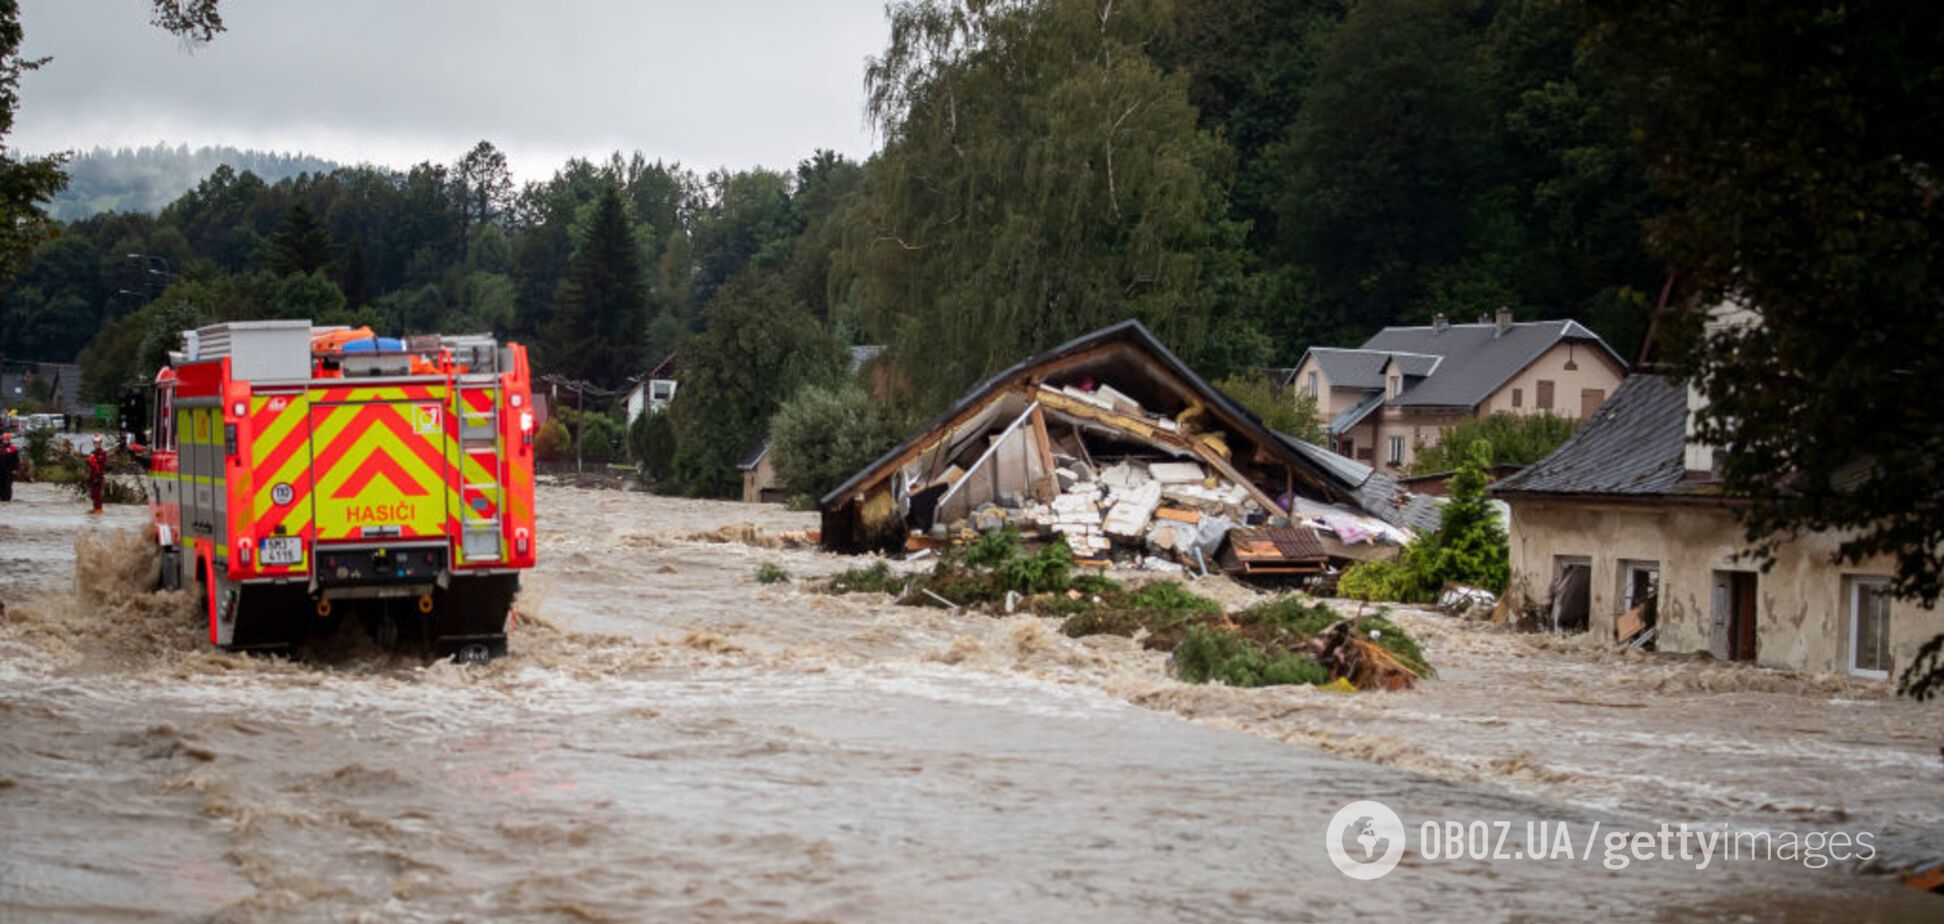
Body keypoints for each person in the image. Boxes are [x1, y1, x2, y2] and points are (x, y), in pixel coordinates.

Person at [86, 434, 108, 514]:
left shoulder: (102, 453)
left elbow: (101, 464)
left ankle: (98, 510)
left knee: (97, 495)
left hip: (98, 476)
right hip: (92, 475)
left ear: (101, 443)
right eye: (95, 442)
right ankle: (95, 509)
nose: (97, 444)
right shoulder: (92, 452)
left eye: (98, 442)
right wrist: (90, 460)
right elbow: (89, 463)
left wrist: (94, 460)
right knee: (93, 495)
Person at [0, 432, 18, 502]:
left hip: (8, 470)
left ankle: (7, 498)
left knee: (7, 485)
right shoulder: (1, 448)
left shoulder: (13, 449)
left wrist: (15, 469)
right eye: (4, 439)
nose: (5, 441)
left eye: (7, 440)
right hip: (0, 469)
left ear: (9, 440)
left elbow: (16, 460)